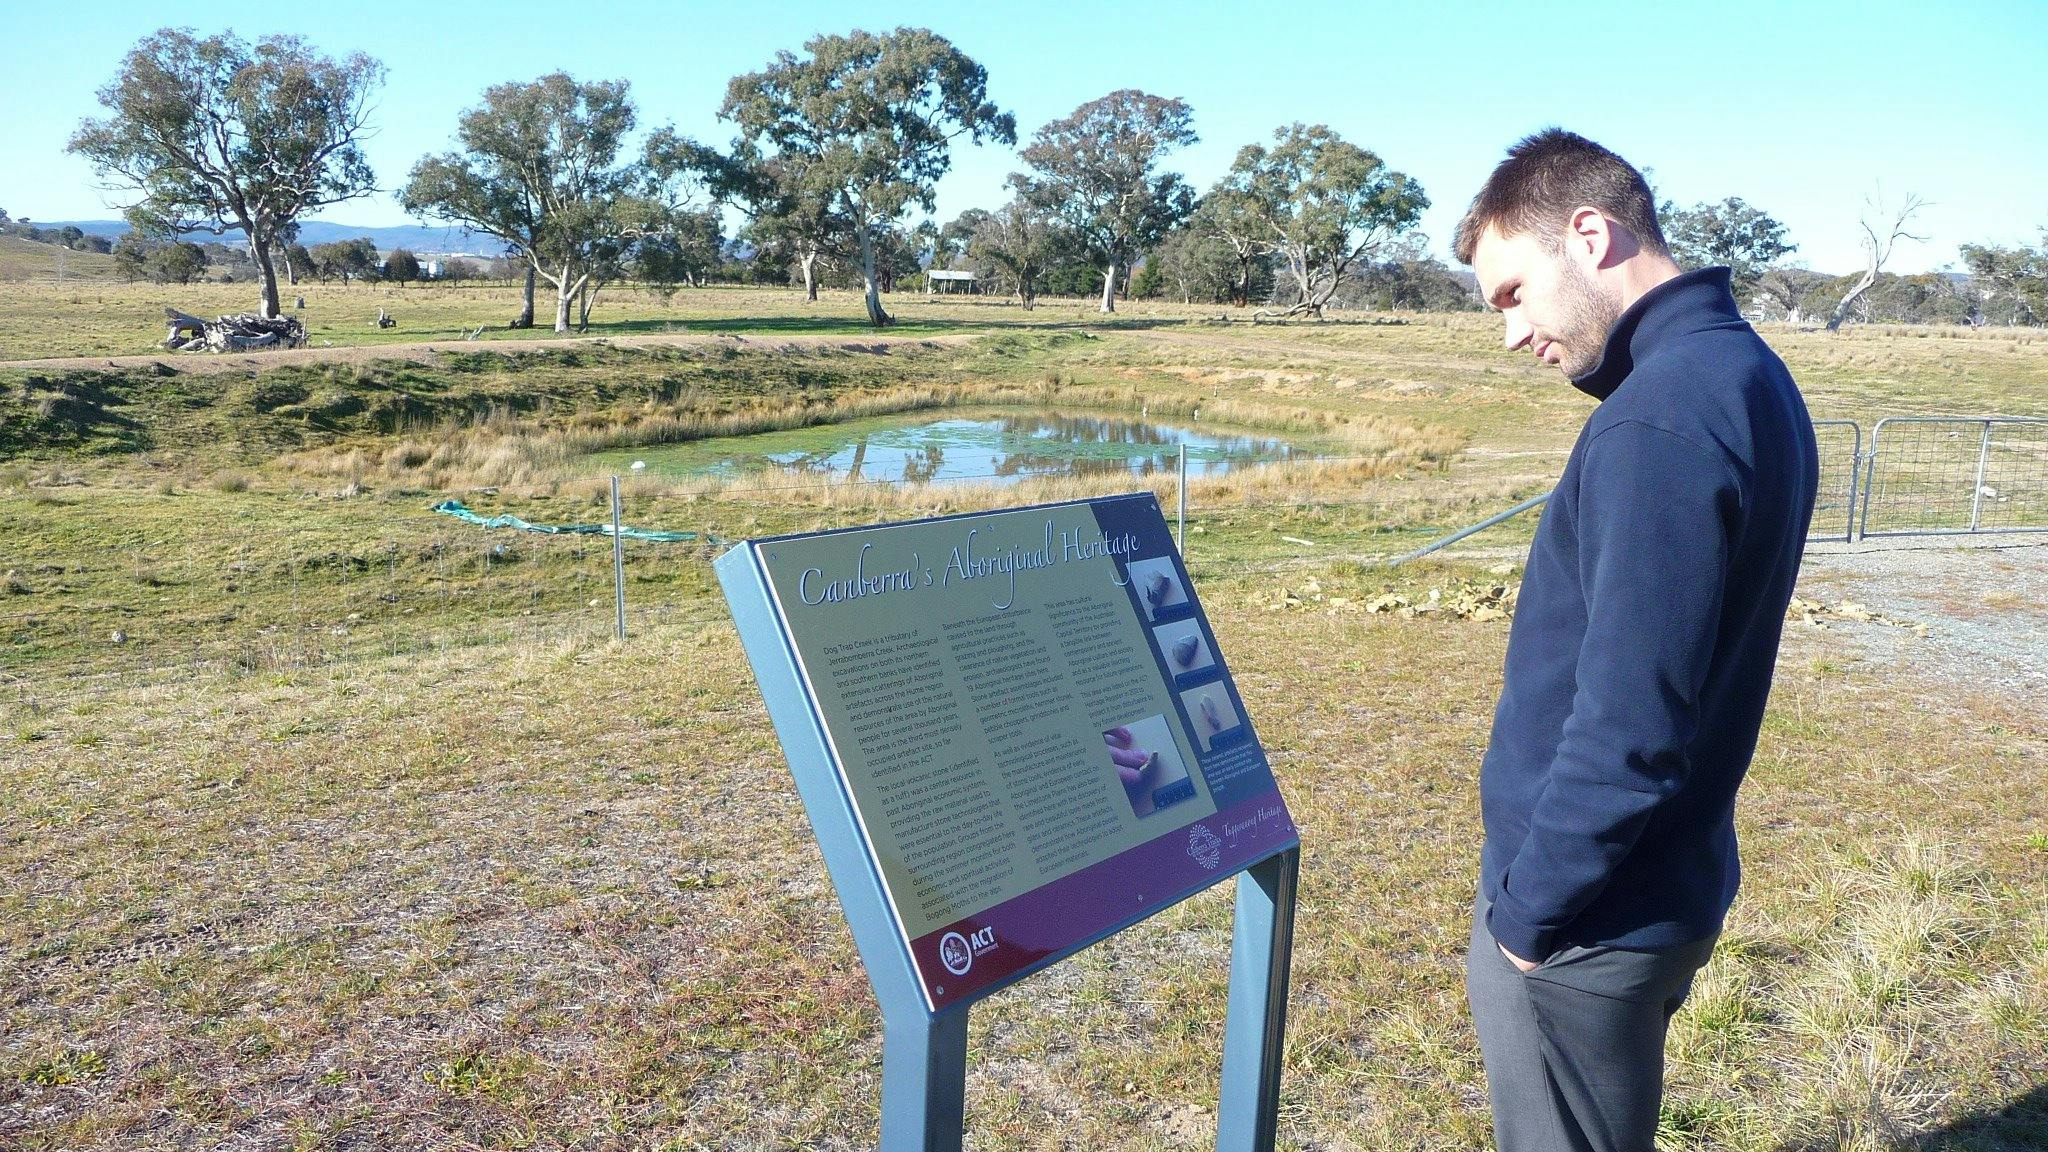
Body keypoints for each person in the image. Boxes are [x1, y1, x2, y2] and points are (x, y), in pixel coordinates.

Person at [1452, 129, 1818, 1151]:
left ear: (1589, 233)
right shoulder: (1739, 373)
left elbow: (1629, 728)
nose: (1509, 334)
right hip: (1649, 884)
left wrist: (1526, 921)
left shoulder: (1656, 420)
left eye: (1512, 292)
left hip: (1584, 921)